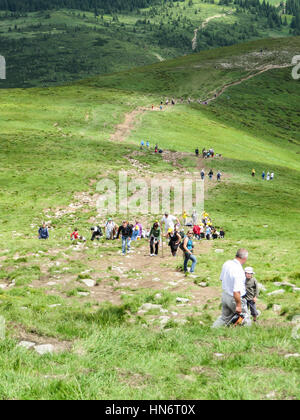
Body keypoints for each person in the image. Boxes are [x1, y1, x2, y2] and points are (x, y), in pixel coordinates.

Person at [212, 249, 252, 328]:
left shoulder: (227, 263)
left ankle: (212, 329)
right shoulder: (239, 270)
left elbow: (221, 278)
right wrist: (238, 305)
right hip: (234, 298)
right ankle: (248, 335)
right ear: (244, 258)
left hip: (225, 295)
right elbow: (236, 290)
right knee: (245, 317)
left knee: (224, 318)